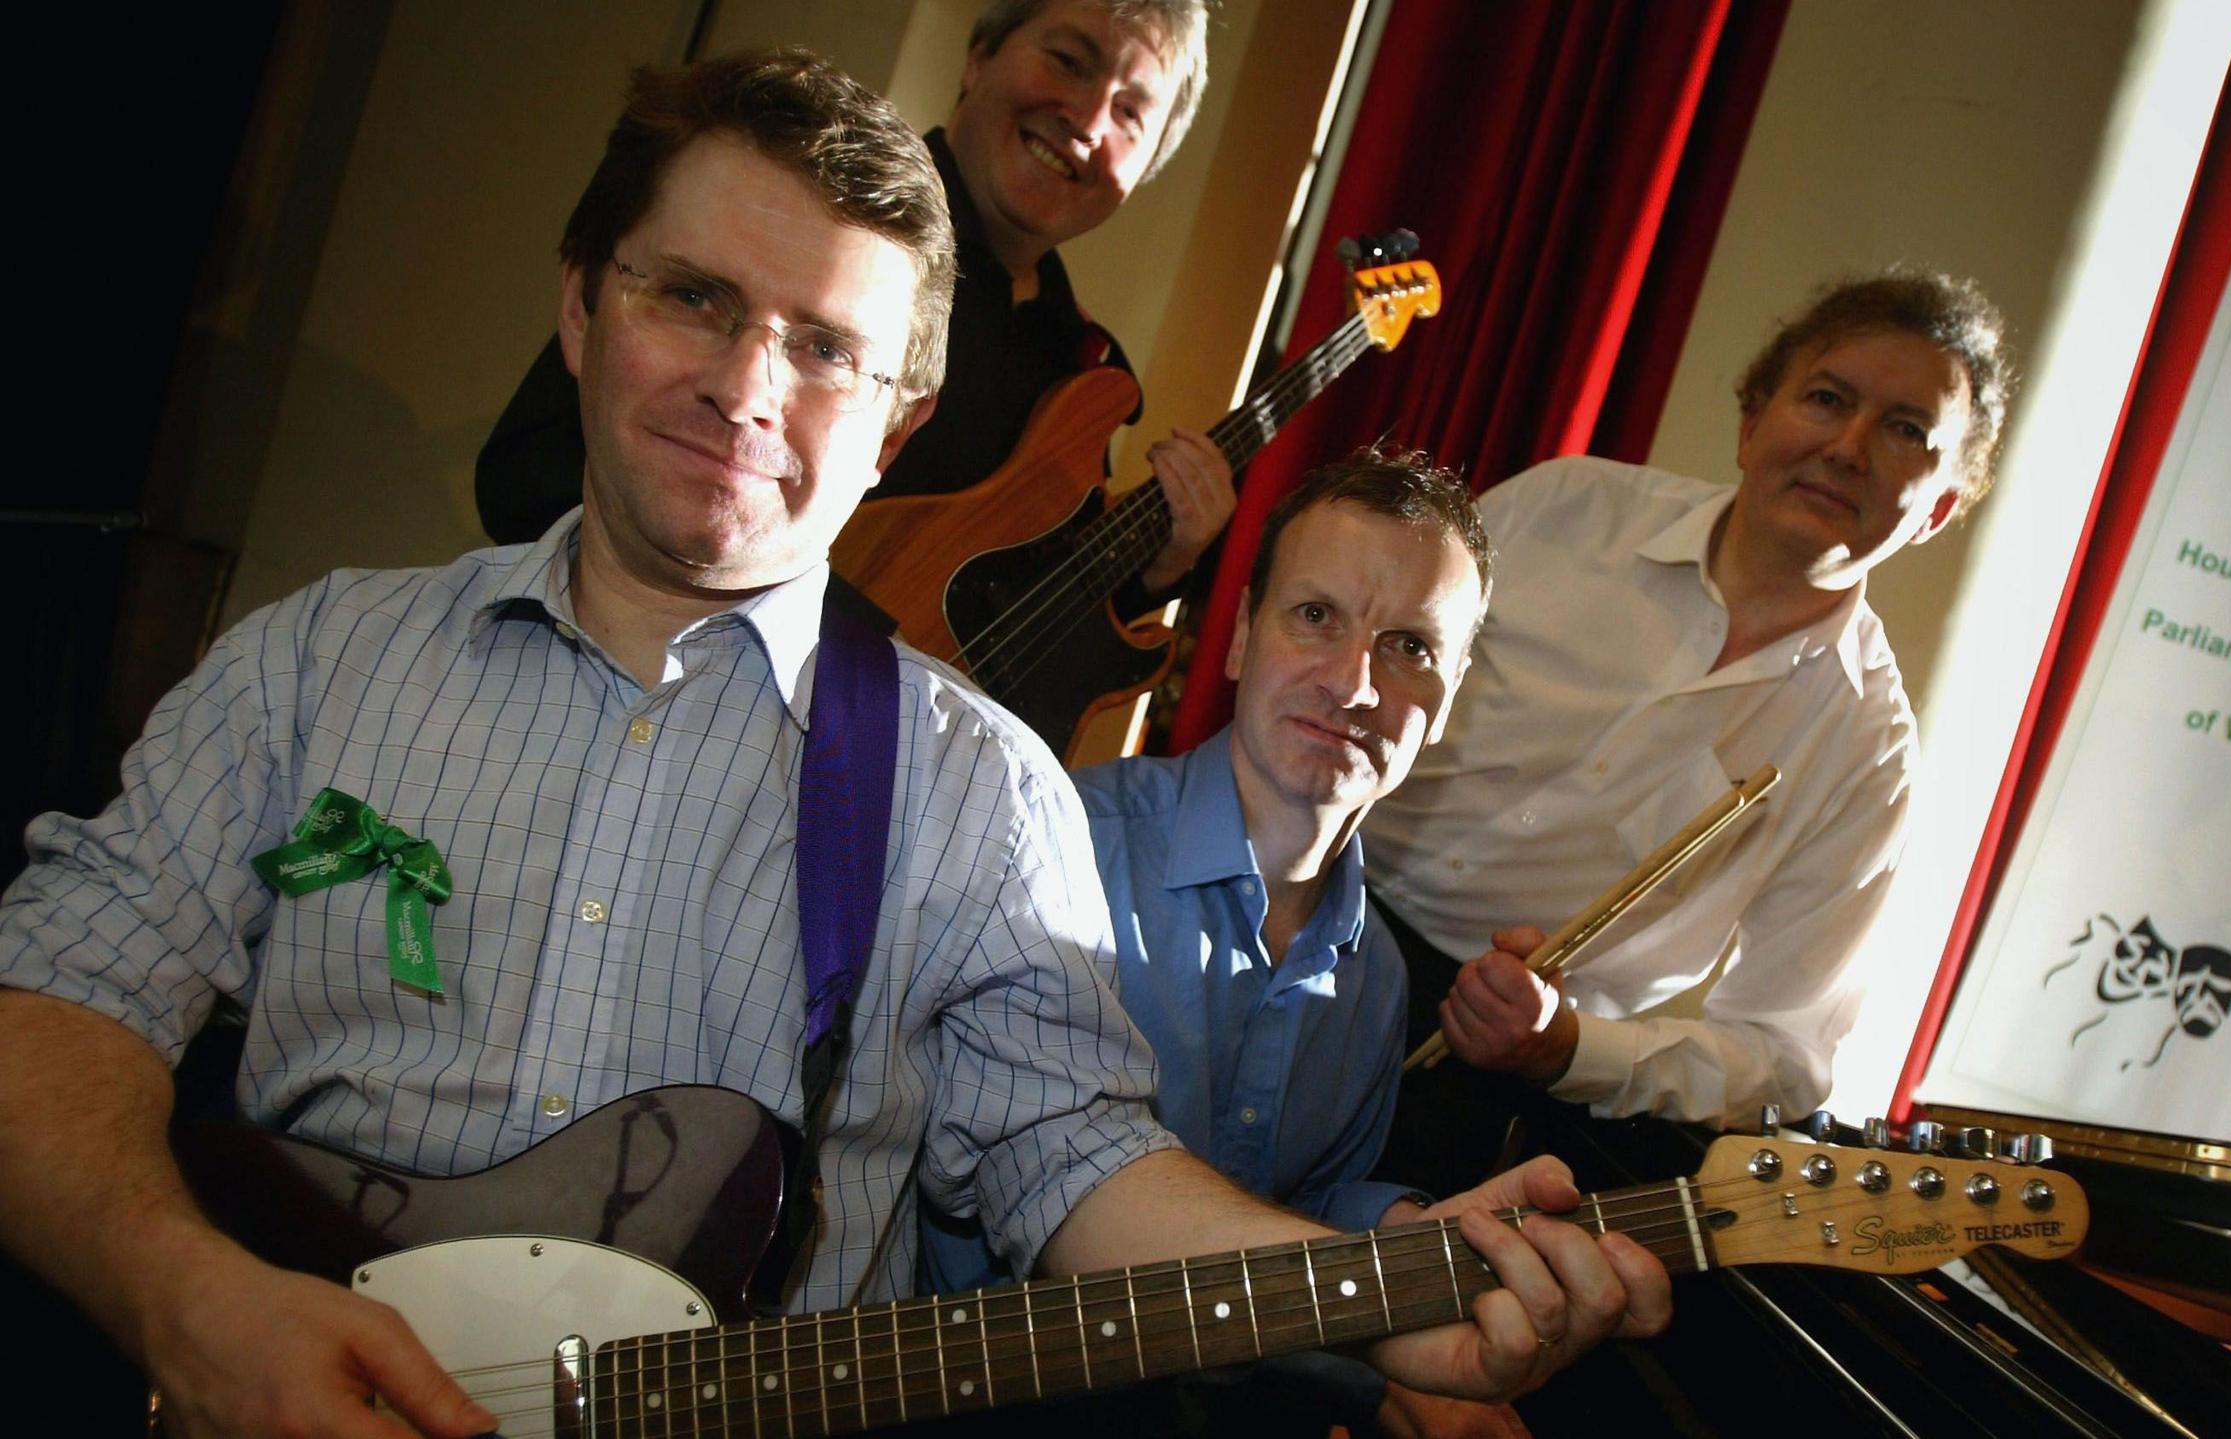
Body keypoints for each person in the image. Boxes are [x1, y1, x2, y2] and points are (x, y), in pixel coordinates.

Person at [0, 51, 1664, 1439]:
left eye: (827, 350)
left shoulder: (982, 787)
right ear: (582, 309)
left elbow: (1071, 1157)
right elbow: (57, 999)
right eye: (693, 298)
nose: (746, 383)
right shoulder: (315, 656)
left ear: (901, 423)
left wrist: (1378, 1298)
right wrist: (186, 1294)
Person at [1361, 270, 2013, 1186]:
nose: (1850, 447)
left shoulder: (1865, 750)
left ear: (1938, 509)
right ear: (1754, 424)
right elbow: (1346, 661)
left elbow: (1783, 1054)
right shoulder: (1564, 508)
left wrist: (1569, 1047)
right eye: (1827, 399)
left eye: (1907, 431)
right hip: (1302, 909)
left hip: (1481, 1069)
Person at [924, 448, 1524, 1435]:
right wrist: (1378, 1352)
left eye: (1408, 647)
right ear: (1241, 634)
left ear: (1448, 701)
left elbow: (1304, 1192)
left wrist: (1406, 1238)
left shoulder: (1375, 976)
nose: (1354, 685)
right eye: (1316, 615)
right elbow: (1017, 1190)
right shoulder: (1061, 846)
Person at [477, 0, 1236, 615]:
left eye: (1132, 114)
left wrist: (1154, 572)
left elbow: (1009, 622)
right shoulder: (795, 209)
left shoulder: (1083, 368)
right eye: (1069, 61)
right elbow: (528, 474)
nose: (1088, 118)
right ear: (980, 57)